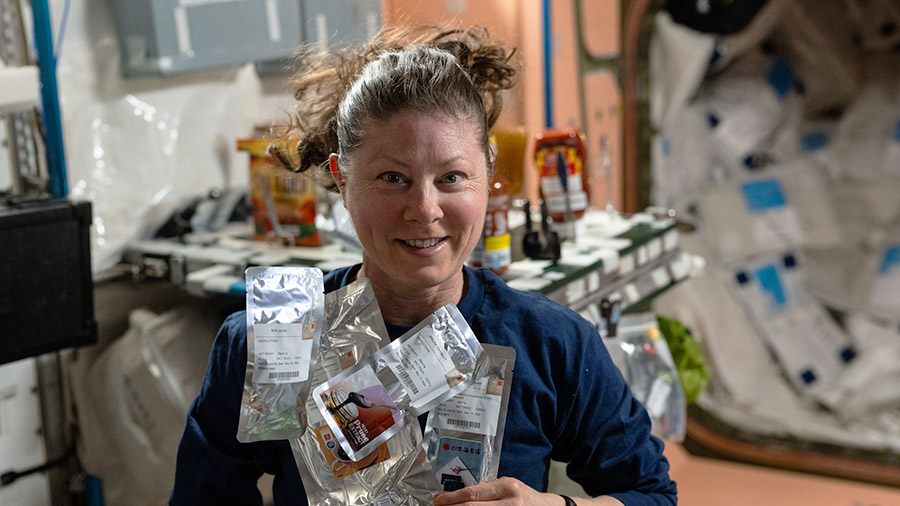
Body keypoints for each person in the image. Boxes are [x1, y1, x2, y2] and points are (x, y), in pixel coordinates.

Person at [171, 26, 677, 506]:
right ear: (342, 180)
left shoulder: (552, 344)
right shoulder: (276, 339)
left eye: (452, 177)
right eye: (393, 177)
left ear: (488, 176)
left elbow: (652, 494)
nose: (425, 209)